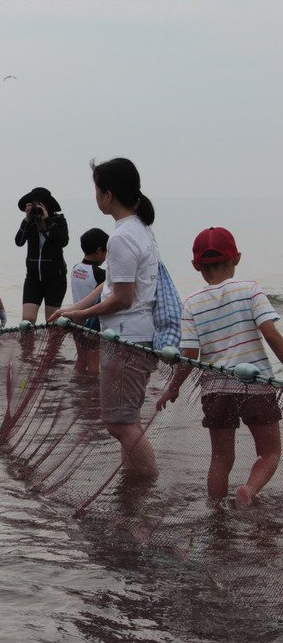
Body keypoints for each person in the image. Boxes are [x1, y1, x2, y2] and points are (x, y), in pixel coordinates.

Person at [156, 227, 283, 507]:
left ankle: (215, 511)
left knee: (221, 458)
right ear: (236, 258)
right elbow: (271, 336)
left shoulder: (191, 303)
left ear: (196, 265)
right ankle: (248, 491)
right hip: (257, 387)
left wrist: (172, 389)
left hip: (215, 390)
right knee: (270, 452)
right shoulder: (251, 290)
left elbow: (189, 354)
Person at [50, 158, 160, 478]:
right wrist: (74, 309)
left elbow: (122, 298)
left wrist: (82, 314)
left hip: (126, 338)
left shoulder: (122, 237)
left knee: (118, 423)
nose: (96, 196)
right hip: (137, 335)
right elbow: (109, 285)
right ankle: (134, 487)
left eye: (97, 190)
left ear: (108, 195)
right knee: (128, 419)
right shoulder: (138, 229)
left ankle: (149, 482)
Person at [15, 186, 69, 323]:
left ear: (48, 206)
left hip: (55, 278)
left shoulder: (58, 221)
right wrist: (27, 219)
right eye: (35, 204)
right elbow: (19, 242)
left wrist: (47, 220)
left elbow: (63, 241)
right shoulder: (30, 223)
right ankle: (27, 345)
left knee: (52, 322)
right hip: (32, 278)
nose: (38, 207)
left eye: (41, 204)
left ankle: (52, 346)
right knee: (27, 321)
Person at [70, 228, 109, 373]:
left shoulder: (75, 268)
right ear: (99, 250)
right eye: (106, 253)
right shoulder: (100, 274)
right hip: (91, 324)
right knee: (93, 363)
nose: (106, 257)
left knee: (81, 360)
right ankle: (91, 393)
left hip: (75, 321)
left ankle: (77, 385)